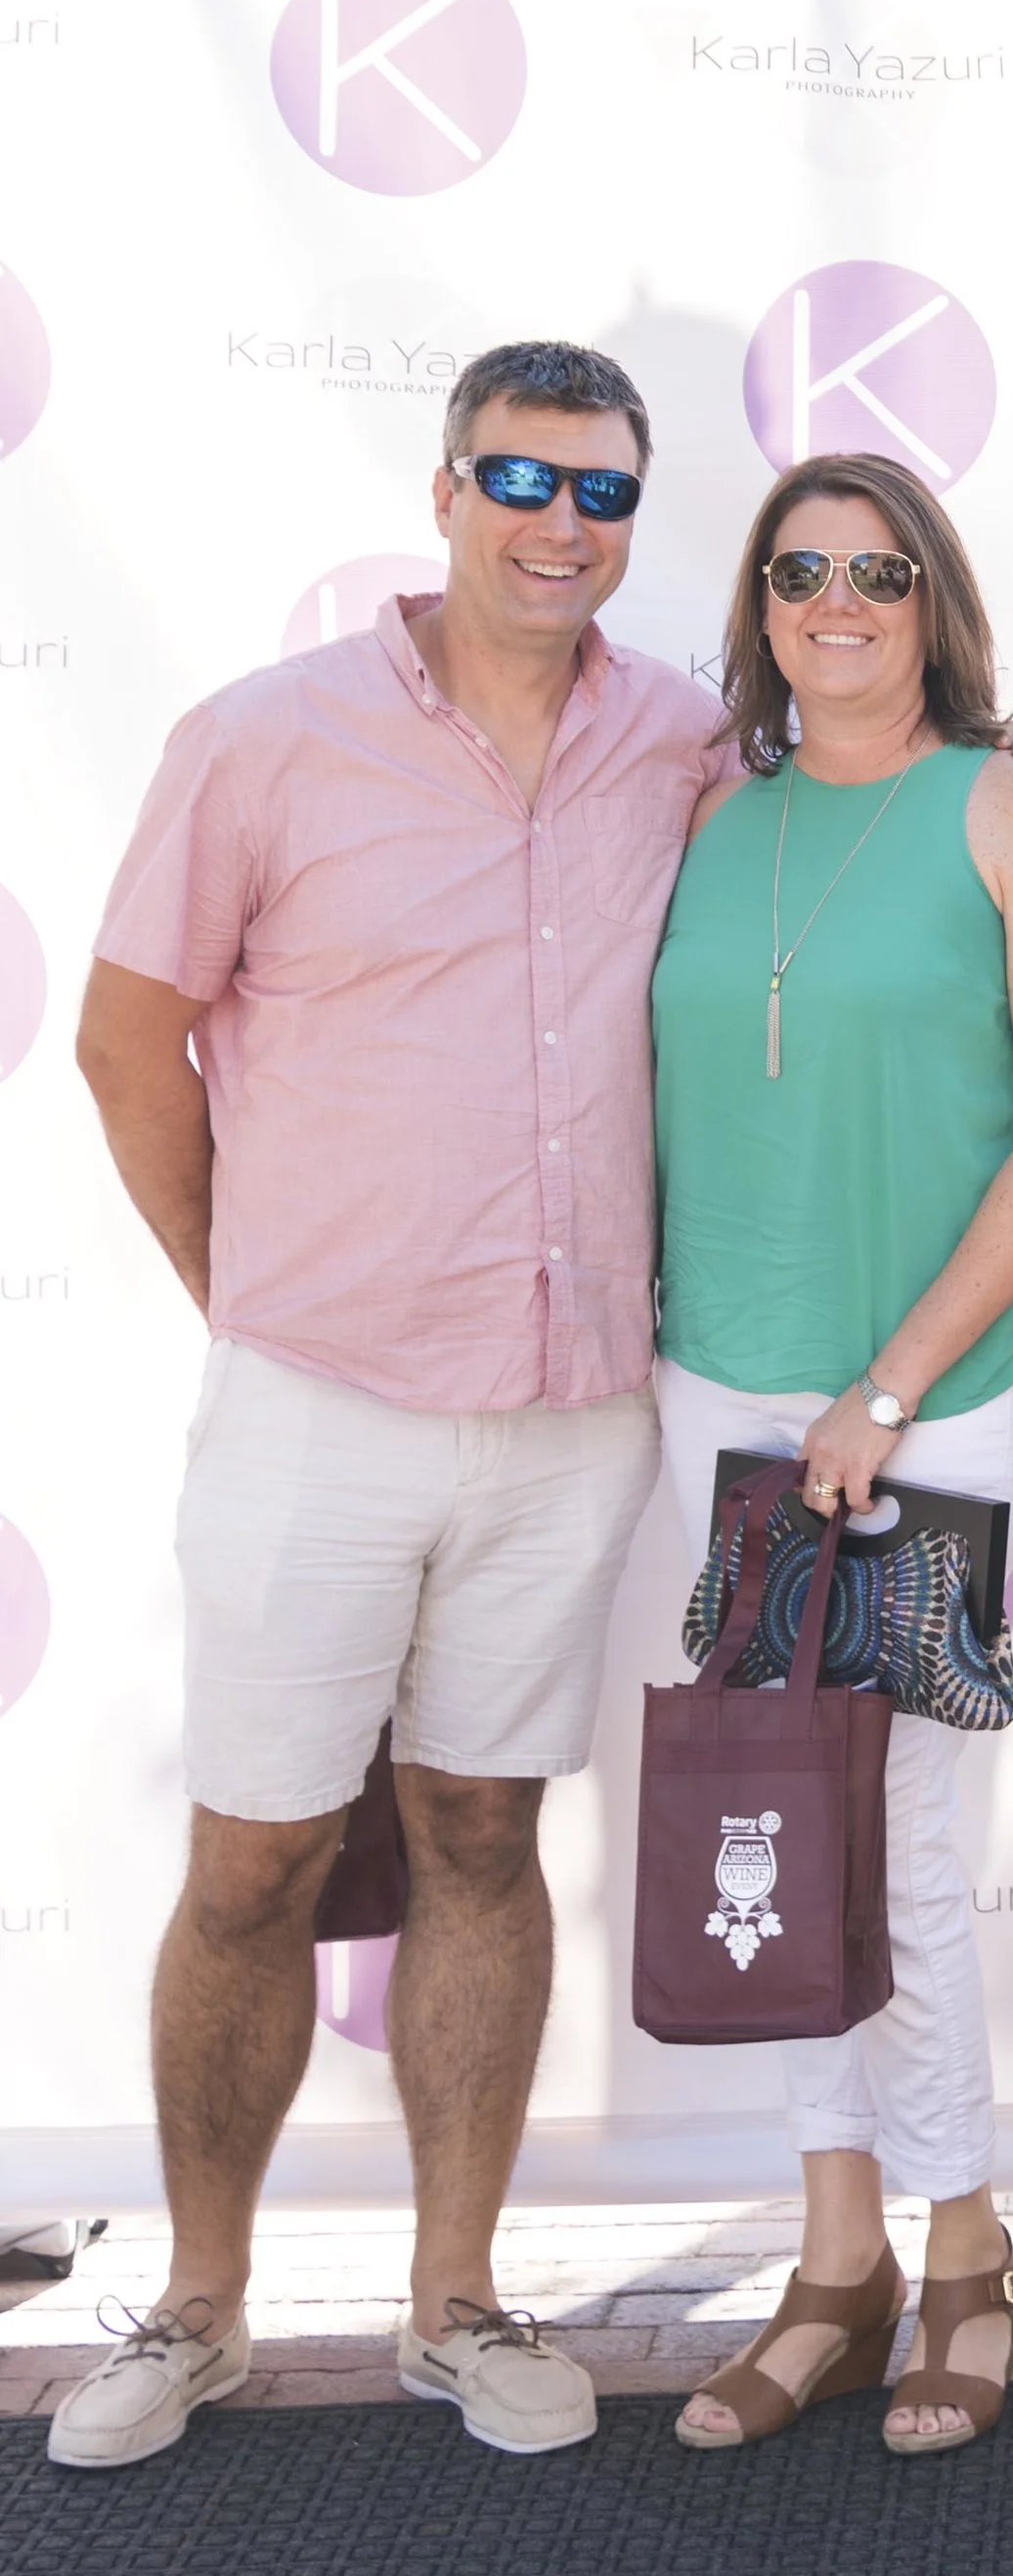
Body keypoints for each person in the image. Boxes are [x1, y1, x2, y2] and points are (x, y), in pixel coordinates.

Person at [58, 342, 710, 2467]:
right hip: (316, 1404)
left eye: (600, 490)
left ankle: (458, 2301)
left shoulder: (684, 739)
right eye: (520, 477)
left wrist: (1008, 756)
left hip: (572, 1412)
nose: (560, 521)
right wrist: (244, 1290)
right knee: (253, 1861)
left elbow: (863, 814)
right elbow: (127, 1040)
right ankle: (195, 2305)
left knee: (482, 1838)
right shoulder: (263, 740)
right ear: (443, 491)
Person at [652, 451, 1013, 2461]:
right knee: (768, 1832)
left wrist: (889, 1388)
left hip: (935, 1397)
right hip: (716, 1391)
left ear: (933, 598)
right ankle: (834, 2260)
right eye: (796, 575)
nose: (833, 604)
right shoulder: (707, 815)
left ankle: (965, 2250)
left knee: (905, 1847)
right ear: (756, 608)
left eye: (874, 571)